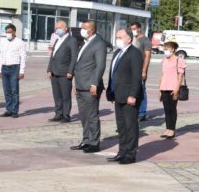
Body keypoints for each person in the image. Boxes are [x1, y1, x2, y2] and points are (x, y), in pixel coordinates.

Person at [106, 27, 144, 164]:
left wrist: (133, 95)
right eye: (117, 37)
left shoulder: (135, 53)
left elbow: (136, 77)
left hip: (129, 96)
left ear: (129, 38)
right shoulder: (118, 52)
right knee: (121, 126)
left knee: (130, 126)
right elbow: (113, 74)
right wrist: (111, 92)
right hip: (118, 95)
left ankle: (130, 154)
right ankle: (122, 152)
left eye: (120, 37)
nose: (117, 40)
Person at [72, 20, 107, 153]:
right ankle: (86, 140)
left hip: (90, 86)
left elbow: (100, 66)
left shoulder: (99, 44)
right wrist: (77, 83)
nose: (81, 30)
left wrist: (94, 84)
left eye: (84, 28)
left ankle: (94, 142)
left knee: (92, 115)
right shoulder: (85, 43)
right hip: (81, 85)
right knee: (84, 115)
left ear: (92, 30)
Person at [46, 19, 77, 122]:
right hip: (54, 72)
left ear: (65, 28)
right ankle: (58, 114)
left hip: (65, 73)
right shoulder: (57, 39)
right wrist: (49, 69)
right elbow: (52, 56)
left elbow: (74, 57)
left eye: (59, 27)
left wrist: (70, 71)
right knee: (56, 95)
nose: (57, 29)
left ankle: (66, 115)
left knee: (65, 95)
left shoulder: (71, 40)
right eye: (56, 28)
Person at [158, 40, 187, 140]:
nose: (165, 50)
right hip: (164, 87)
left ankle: (172, 129)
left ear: (173, 49)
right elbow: (162, 75)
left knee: (172, 109)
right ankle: (167, 128)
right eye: (164, 49)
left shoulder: (179, 60)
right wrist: (159, 89)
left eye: (167, 49)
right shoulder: (164, 60)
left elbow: (180, 76)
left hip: (173, 87)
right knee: (166, 109)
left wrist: (176, 89)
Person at [0, 23, 26, 118]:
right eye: (6, 32)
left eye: (9, 32)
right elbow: (1, 56)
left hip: (14, 68)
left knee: (14, 91)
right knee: (6, 91)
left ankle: (15, 111)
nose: (8, 34)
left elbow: (23, 57)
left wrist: (22, 71)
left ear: (14, 32)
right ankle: (8, 110)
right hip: (4, 68)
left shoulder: (20, 42)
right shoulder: (3, 42)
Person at [130, 22, 152, 121]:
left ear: (139, 29)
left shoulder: (145, 40)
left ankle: (142, 113)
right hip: (131, 70)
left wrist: (144, 70)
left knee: (142, 90)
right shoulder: (131, 39)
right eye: (131, 29)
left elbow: (147, 56)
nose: (133, 30)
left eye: (134, 28)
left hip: (140, 70)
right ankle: (134, 110)